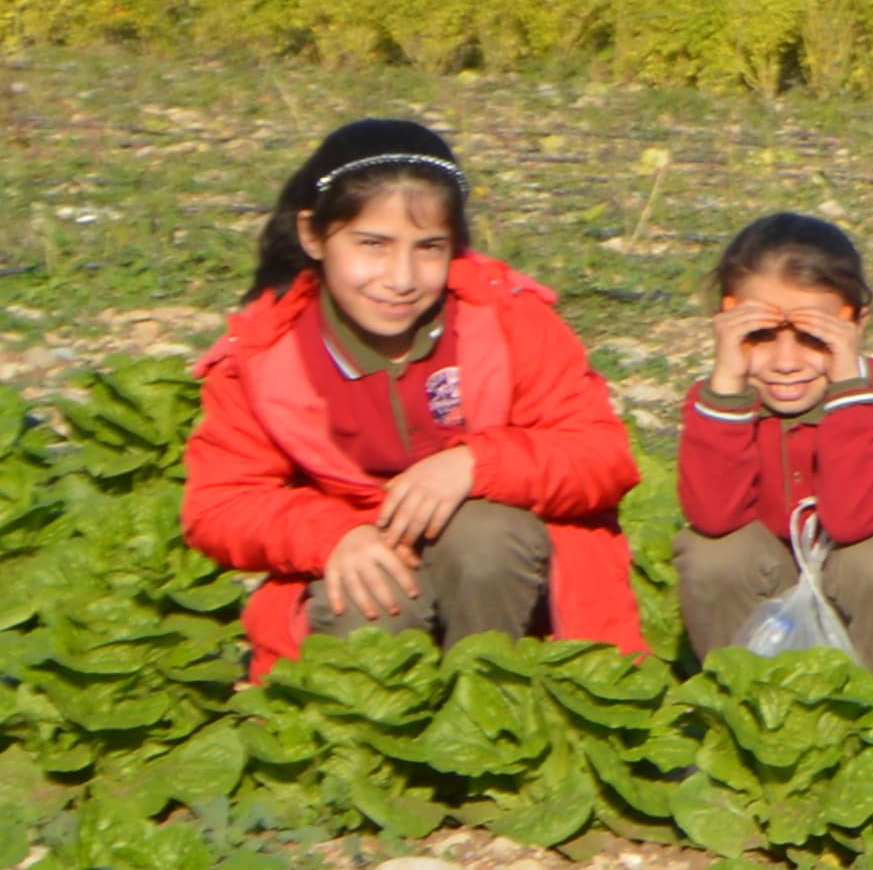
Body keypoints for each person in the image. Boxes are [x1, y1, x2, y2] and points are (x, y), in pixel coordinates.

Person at [184, 115, 645, 673]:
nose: (401, 277)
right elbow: (220, 504)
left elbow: (602, 456)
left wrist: (477, 464)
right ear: (313, 236)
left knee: (485, 535)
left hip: (513, 581)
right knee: (363, 600)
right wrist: (335, 536)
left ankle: (497, 706)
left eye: (428, 248)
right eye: (373, 245)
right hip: (370, 567)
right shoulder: (263, 355)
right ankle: (383, 752)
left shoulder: (507, 320)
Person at [672, 209, 873, 711]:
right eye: (759, 336)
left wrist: (848, 388)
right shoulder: (721, 402)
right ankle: (743, 711)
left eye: (814, 337)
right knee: (712, 550)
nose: (785, 361)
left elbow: (853, 519)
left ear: (855, 326)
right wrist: (726, 380)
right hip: (775, 615)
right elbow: (713, 513)